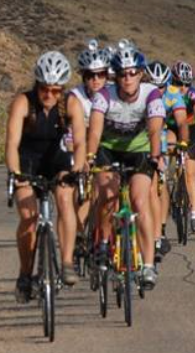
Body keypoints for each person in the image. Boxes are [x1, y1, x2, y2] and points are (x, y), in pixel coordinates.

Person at [6, 51, 86, 301]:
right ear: (37, 85)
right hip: (27, 160)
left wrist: (76, 170)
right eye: (44, 90)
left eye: (55, 90)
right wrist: (16, 174)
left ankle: (67, 262)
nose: (50, 96)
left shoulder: (70, 103)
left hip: (56, 159)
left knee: (64, 198)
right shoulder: (23, 102)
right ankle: (25, 274)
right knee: (29, 216)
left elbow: (81, 143)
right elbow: (11, 143)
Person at [87, 44, 165, 290]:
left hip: (139, 152)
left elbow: (154, 129)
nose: (128, 78)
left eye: (133, 73)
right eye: (122, 74)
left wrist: (156, 155)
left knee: (140, 202)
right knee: (108, 197)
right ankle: (102, 245)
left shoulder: (151, 94)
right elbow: (96, 129)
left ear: (141, 74)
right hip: (108, 150)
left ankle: (149, 265)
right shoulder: (104, 96)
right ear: (115, 76)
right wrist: (89, 156)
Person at [69, 41, 111, 241]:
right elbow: (71, 134)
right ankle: (78, 235)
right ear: (83, 77)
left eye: (101, 74)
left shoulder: (113, 94)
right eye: (90, 75)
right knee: (82, 189)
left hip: (107, 145)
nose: (96, 80)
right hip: (81, 143)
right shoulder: (75, 97)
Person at [146, 60, 182, 259]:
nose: (157, 90)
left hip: (163, 133)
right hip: (142, 136)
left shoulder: (173, 93)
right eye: (153, 86)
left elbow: (182, 121)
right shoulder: (141, 93)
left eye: (161, 86)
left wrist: (182, 142)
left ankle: (160, 227)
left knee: (160, 182)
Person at [171, 61, 195, 233]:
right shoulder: (167, 93)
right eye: (179, 83)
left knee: (191, 174)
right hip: (172, 128)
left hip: (191, 130)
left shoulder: (193, 94)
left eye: (187, 84)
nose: (183, 88)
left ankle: (194, 215)